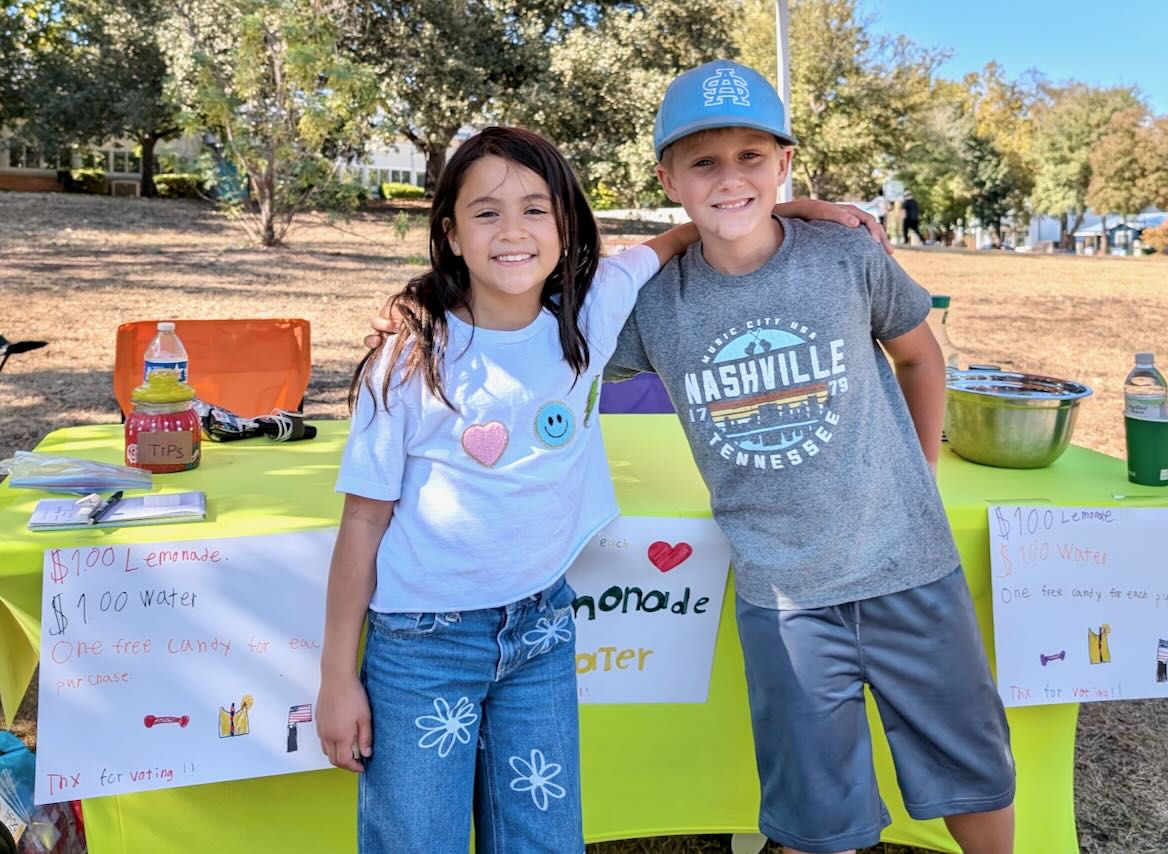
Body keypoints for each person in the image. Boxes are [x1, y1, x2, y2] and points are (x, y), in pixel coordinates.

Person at [323, 125, 884, 854]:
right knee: (415, 841)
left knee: (544, 840)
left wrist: (797, 206)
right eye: (487, 212)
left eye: (536, 208)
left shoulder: (592, 311)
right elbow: (362, 524)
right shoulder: (407, 360)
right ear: (451, 234)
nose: (514, 231)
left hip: (542, 634)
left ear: (566, 226)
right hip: (422, 645)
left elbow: (686, 235)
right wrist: (338, 678)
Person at [604, 61, 1015, 854]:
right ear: (668, 177)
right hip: (784, 595)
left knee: (973, 769)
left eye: (752, 158)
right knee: (815, 812)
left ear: (785, 161)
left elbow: (922, 359)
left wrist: (920, 478)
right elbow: (562, 338)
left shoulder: (842, 257)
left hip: (909, 567)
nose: (730, 179)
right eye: (703, 163)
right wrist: (687, 232)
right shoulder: (655, 304)